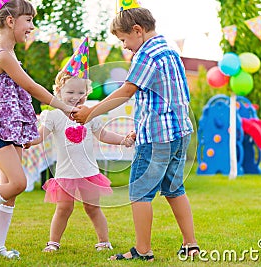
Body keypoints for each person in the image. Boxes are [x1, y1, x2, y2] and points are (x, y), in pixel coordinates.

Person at [0, 0, 76, 259]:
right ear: (10, 21)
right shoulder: (4, 55)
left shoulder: (9, 52)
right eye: (28, 20)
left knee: (8, 190)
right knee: (18, 183)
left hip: (9, 129)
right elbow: (31, 88)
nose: (32, 26)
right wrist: (65, 107)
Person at [73, 6, 199, 261]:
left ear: (138, 31)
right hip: (179, 132)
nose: (125, 46)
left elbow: (126, 91)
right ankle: (190, 244)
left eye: (124, 40)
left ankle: (142, 251)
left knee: (140, 193)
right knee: (174, 189)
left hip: (157, 137)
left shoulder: (146, 54)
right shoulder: (169, 49)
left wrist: (91, 112)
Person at [30, 69, 136, 252]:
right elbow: (40, 136)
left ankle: (104, 241)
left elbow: (102, 134)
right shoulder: (54, 115)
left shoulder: (90, 115)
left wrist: (122, 140)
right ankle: (53, 242)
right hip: (65, 174)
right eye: (70, 92)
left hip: (89, 173)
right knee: (63, 208)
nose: (76, 97)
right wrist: (28, 140)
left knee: (93, 208)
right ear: (58, 92)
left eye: (81, 93)